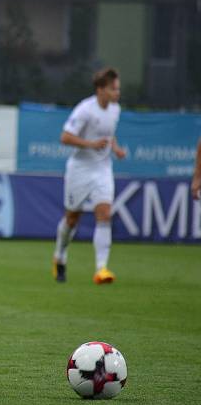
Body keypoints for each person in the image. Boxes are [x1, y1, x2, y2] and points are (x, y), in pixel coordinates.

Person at [52, 67, 126, 284]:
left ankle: (101, 269)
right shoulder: (85, 110)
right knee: (72, 219)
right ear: (100, 89)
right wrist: (90, 144)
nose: (117, 93)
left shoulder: (115, 109)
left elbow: (109, 134)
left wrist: (116, 148)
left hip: (103, 169)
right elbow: (65, 137)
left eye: (118, 89)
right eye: (113, 89)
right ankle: (60, 256)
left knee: (104, 214)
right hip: (80, 169)